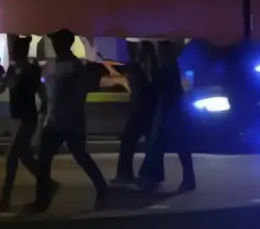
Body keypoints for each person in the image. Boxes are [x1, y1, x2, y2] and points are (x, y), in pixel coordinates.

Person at [32, 29, 109, 213]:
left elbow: (79, 93)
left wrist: (68, 111)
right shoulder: (52, 65)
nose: (55, 46)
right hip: (54, 121)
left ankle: (103, 190)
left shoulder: (75, 66)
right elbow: (48, 90)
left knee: (80, 157)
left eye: (57, 42)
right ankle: (42, 199)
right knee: (44, 160)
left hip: (70, 121)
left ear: (65, 44)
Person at [0, 36, 48, 211]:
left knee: (11, 156)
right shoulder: (12, 68)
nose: (14, 53)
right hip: (16, 116)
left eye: (16, 50)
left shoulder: (31, 70)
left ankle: (5, 197)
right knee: (24, 157)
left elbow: (39, 90)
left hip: (27, 117)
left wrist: (45, 108)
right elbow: (4, 87)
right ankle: (48, 182)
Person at [137, 40, 197, 191]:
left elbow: (159, 86)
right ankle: (156, 176)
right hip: (172, 110)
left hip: (169, 111)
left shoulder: (168, 67)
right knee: (169, 144)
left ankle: (154, 176)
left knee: (163, 143)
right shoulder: (170, 66)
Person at [115, 41, 159, 184]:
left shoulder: (136, 68)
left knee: (128, 143)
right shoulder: (155, 68)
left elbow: (125, 72)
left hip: (138, 110)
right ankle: (149, 174)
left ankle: (125, 174)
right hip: (149, 110)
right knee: (150, 144)